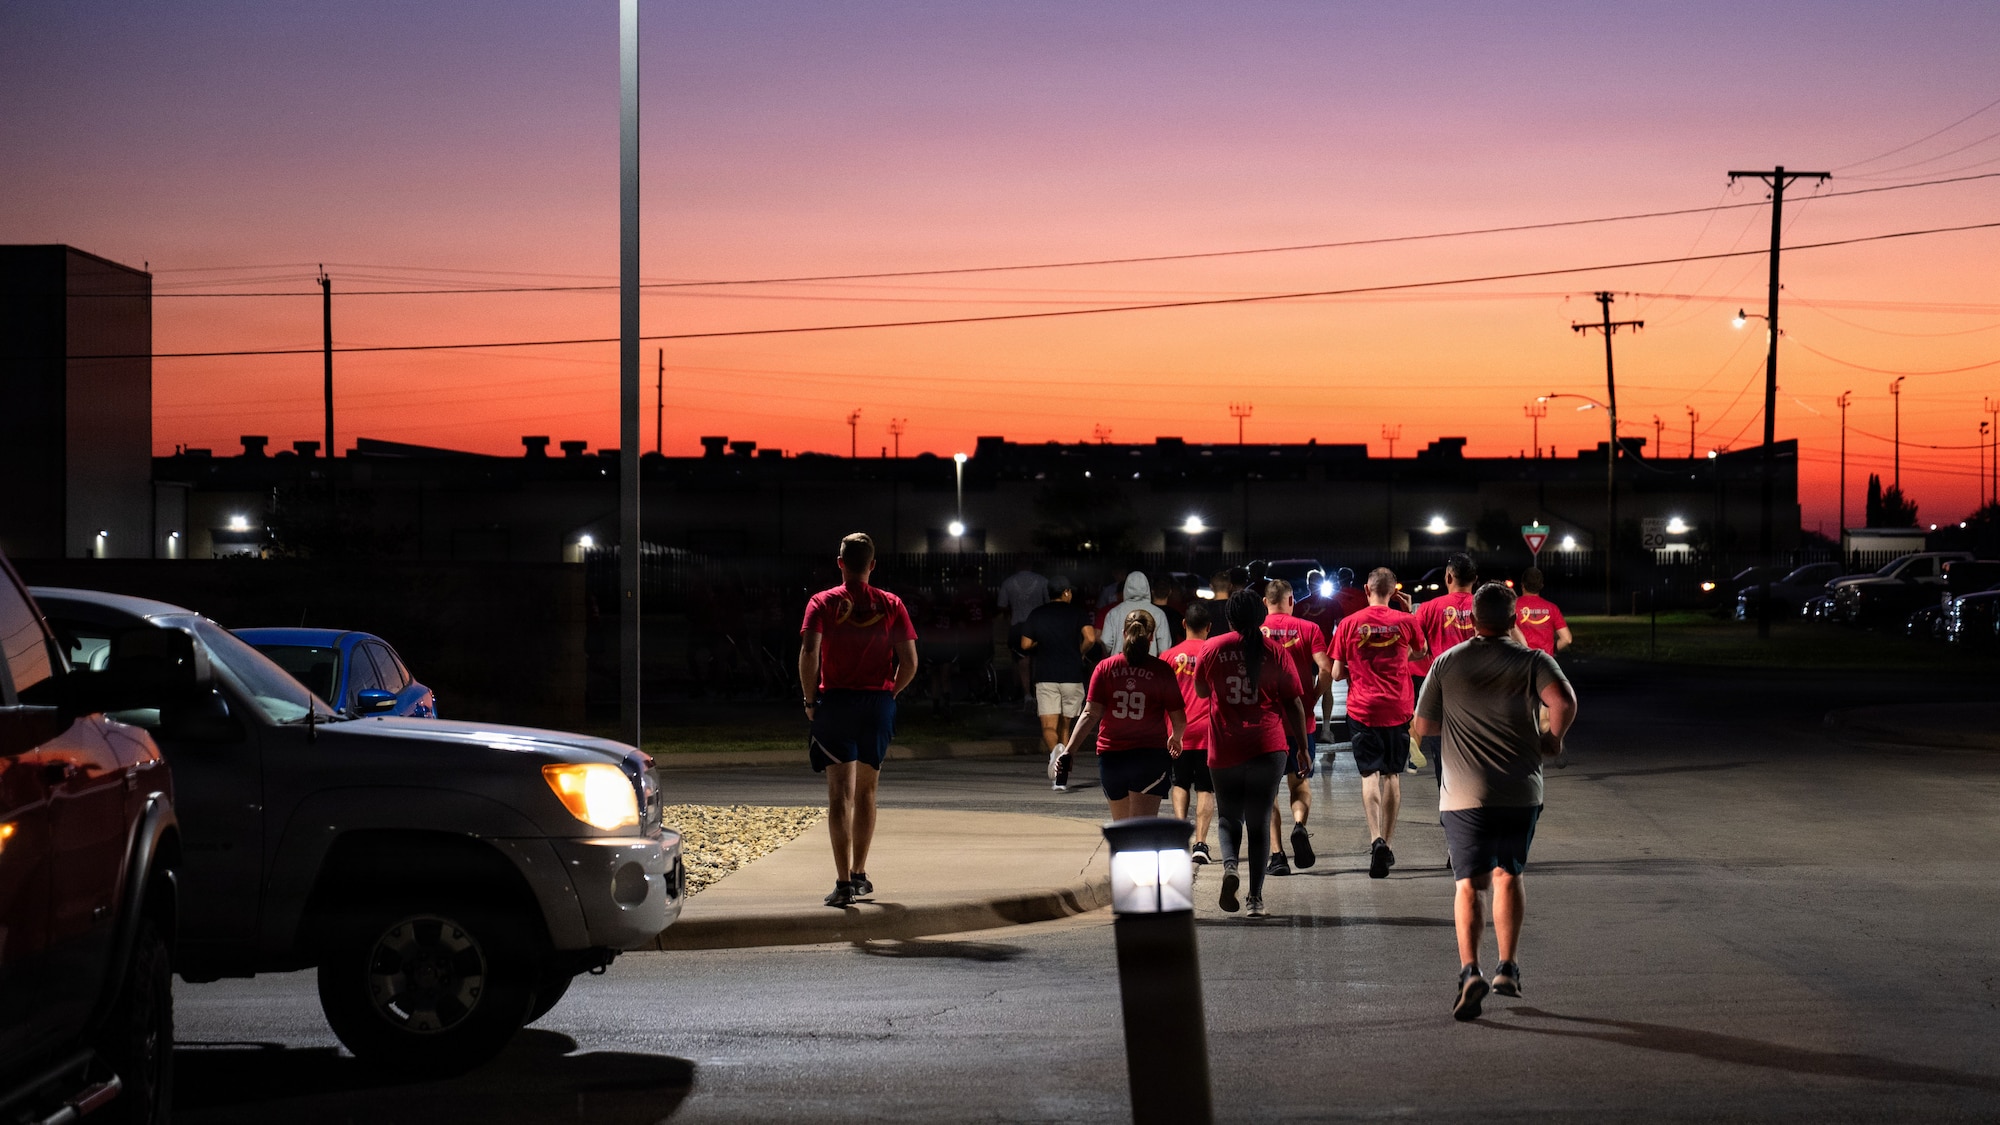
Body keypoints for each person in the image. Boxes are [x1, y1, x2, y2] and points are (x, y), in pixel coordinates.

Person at [1413, 582, 1577, 1021]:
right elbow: (1563, 701)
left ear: (1471, 618)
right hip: (1520, 790)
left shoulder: (1448, 662)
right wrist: (1553, 739)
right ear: (1513, 620)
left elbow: (1423, 725)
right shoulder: (1532, 660)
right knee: (1509, 874)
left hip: (1464, 793)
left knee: (1469, 883)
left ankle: (1470, 972)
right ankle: (1507, 968)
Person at [799, 533, 919, 908]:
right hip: (877, 702)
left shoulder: (822, 602)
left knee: (840, 795)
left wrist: (809, 699)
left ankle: (841, 883)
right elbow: (910, 663)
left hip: (837, 701)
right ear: (872, 565)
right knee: (868, 791)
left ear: (840, 563)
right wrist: (890, 694)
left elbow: (809, 652)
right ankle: (860, 873)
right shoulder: (891, 603)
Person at [1196, 590, 1310, 919]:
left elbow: (1202, 691)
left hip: (1225, 745)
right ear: (1259, 617)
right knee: (1259, 823)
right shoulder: (1275, 652)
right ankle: (1255, 899)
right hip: (1268, 746)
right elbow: (1293, 702)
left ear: (1229, 618)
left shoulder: (1213, 648)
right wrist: (1302, 748)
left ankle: (1230, 867)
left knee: (1229, 817)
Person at [1331, 568, 1427, 878]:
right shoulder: (1406, 620)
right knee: (1392, 776)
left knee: (1369, 774)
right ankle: (1388, 842)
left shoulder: (1348, 624)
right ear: (1393, 592)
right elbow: (1420, 652)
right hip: (1398, 709)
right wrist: (1409, 612)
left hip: (1363, 709)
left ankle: (1375, 839)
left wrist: (1358, 667)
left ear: (1366, 590)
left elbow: (1335, 673)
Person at [1057, 612, 1187, 819]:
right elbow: (1179, 717)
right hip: (1149, 756)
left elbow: (1090, 713)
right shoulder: (1161, 670)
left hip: (1112, 758)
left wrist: (1069, 751)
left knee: (1122, 827)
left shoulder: (1105, 667)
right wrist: (1176, 738)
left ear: (1124, 632)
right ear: (1151, 636)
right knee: (1142, 827)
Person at [1258, 580, 1331, 877]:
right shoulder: (1309, 629)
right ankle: (1299, 825)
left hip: (1265, 722)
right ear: (1291, 600)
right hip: (1301, 721)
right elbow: (1326, 667)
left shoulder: (1254, 631)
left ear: (1265, 602)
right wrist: (1312, 695)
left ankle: (1277, 855)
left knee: (1268, 792)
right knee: (1299, 784)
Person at [1023, 578, 1099, 791]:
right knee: (1066, 724)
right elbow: (1091, 637)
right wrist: (1080, 652)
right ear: (1066, 592)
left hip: (1046, 674)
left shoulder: (1038, 613)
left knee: (1048, 725)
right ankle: (1061, 775)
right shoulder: (1077, 613)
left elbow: (1025, 643)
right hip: (1072, 675)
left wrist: (1042, 642)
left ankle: (1054, 752)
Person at [1411, 553, 1479, 785]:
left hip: (1440, 689)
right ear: (1475, 579)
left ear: (1448, 577)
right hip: (1479, 688)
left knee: (1442, 752)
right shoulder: (1485, 607)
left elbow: (1417, 646)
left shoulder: (1429, 608)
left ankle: (1449, 807)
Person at [1162, 598, 1218, 863]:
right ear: (1209, 627)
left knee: (1180, 782)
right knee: (1206, 788)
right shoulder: (1215, 653)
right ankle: (1201, 845)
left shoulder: (1168, 657)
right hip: (1209, 732)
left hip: (1177, 734)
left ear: (1183, 624)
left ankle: (1178, 839)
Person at [997, 561, 1049, 708]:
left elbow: (1001, 605)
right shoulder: (1042, 580)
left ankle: (1025, 694)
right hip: (1038, 624)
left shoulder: (1008, 582)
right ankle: (1038, 692)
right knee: (1037, 660)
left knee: (1021, 660)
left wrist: (1011, 612)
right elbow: (1049, 601)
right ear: (1030, 565)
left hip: (1018, 624)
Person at [1096, 570, 1173, 656]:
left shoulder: (1113, 613)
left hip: (1121, 667)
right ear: (1147, 588)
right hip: (1148, 667)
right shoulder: (1159, 614)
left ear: (1126, 588)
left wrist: (1112, 655)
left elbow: (1106, 641)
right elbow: (1164, 647)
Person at [1514, 568, 1573, 656]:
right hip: (1544, 663)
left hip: (1520, 661)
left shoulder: (1511, 606)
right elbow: (1567, 639)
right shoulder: (1552, 608)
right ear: (1541, 586)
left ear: (1522, 585)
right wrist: (1551, 652)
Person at [1151, 574, 1186, 646]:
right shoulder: (1176, 616)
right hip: (1168, 655)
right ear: (1170, 592)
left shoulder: (1144, 613)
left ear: (1152, 591)